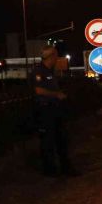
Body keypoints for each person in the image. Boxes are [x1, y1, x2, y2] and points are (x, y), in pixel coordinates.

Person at [33, 45, 77, 176]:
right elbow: (38, 90)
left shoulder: (50, 71)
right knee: (48, 142)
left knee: (61, 139)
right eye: (56, 55)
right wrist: (56, 94)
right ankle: (50, 170)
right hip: (45, 111)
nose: (57, 58)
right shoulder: (39, 71)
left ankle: (65, 168)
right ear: (50, 57)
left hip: (55, 110)